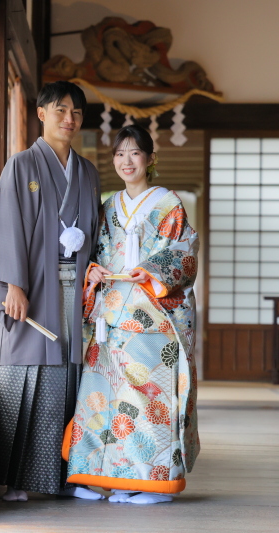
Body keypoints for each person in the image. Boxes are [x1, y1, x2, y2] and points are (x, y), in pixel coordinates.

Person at [0, 81, 103, 502]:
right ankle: (17, 479)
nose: (70, 119)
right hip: (33, 286)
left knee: (71, 375)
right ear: (41, 113)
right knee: (26, 369)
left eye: (78, 113)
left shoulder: (87, 172)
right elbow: (7, 226)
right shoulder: (22, 166)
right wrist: (14, 284)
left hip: (74, 287)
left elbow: (97, 235)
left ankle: (68, 475)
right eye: (61, 110)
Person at [63, 124, 200, 504]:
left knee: (144, 397)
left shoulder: (167, 203)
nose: (127, 161)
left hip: (151, 315)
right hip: (110, 315)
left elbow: (184, 252)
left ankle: (151, 481)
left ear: (150, 159)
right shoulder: (109, 205)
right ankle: (99, 476)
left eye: (135, 153)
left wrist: (154, 271)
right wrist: (94, 272)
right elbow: (96, 254)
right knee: (101, 396)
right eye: (120, 154)